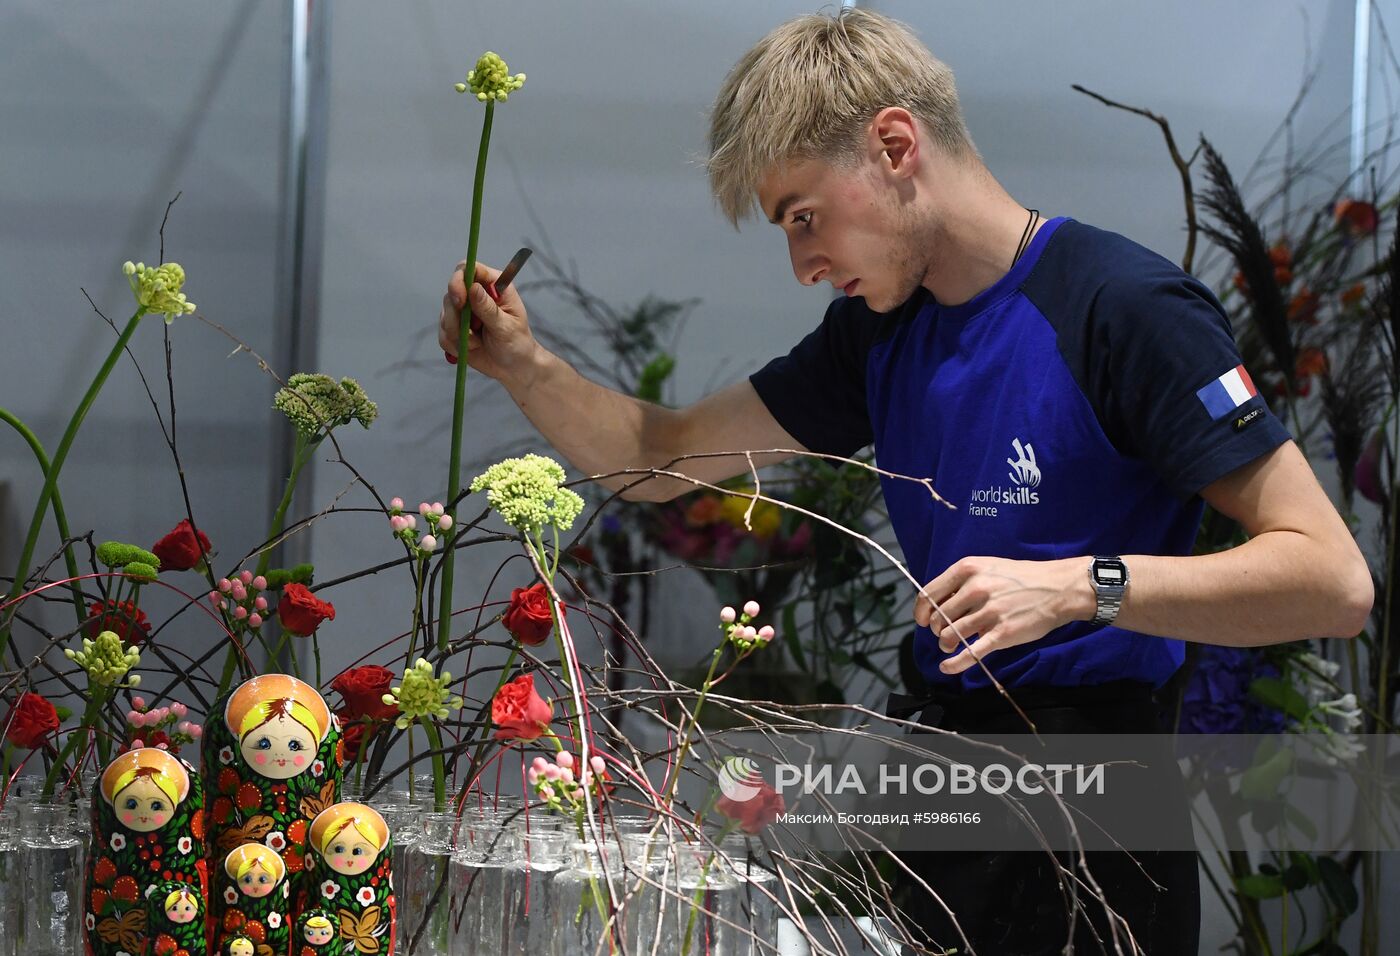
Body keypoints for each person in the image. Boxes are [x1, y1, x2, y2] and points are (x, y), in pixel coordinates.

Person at [437, 8, 1372, 953]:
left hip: (1103, 804)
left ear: (894, 144)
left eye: (805, 218)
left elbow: (1331, 582)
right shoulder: (882, 329)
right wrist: (522, 362)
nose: (803, 265)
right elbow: (664, 459)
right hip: (941, 788)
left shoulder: (1122, 310)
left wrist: (1078, 587)